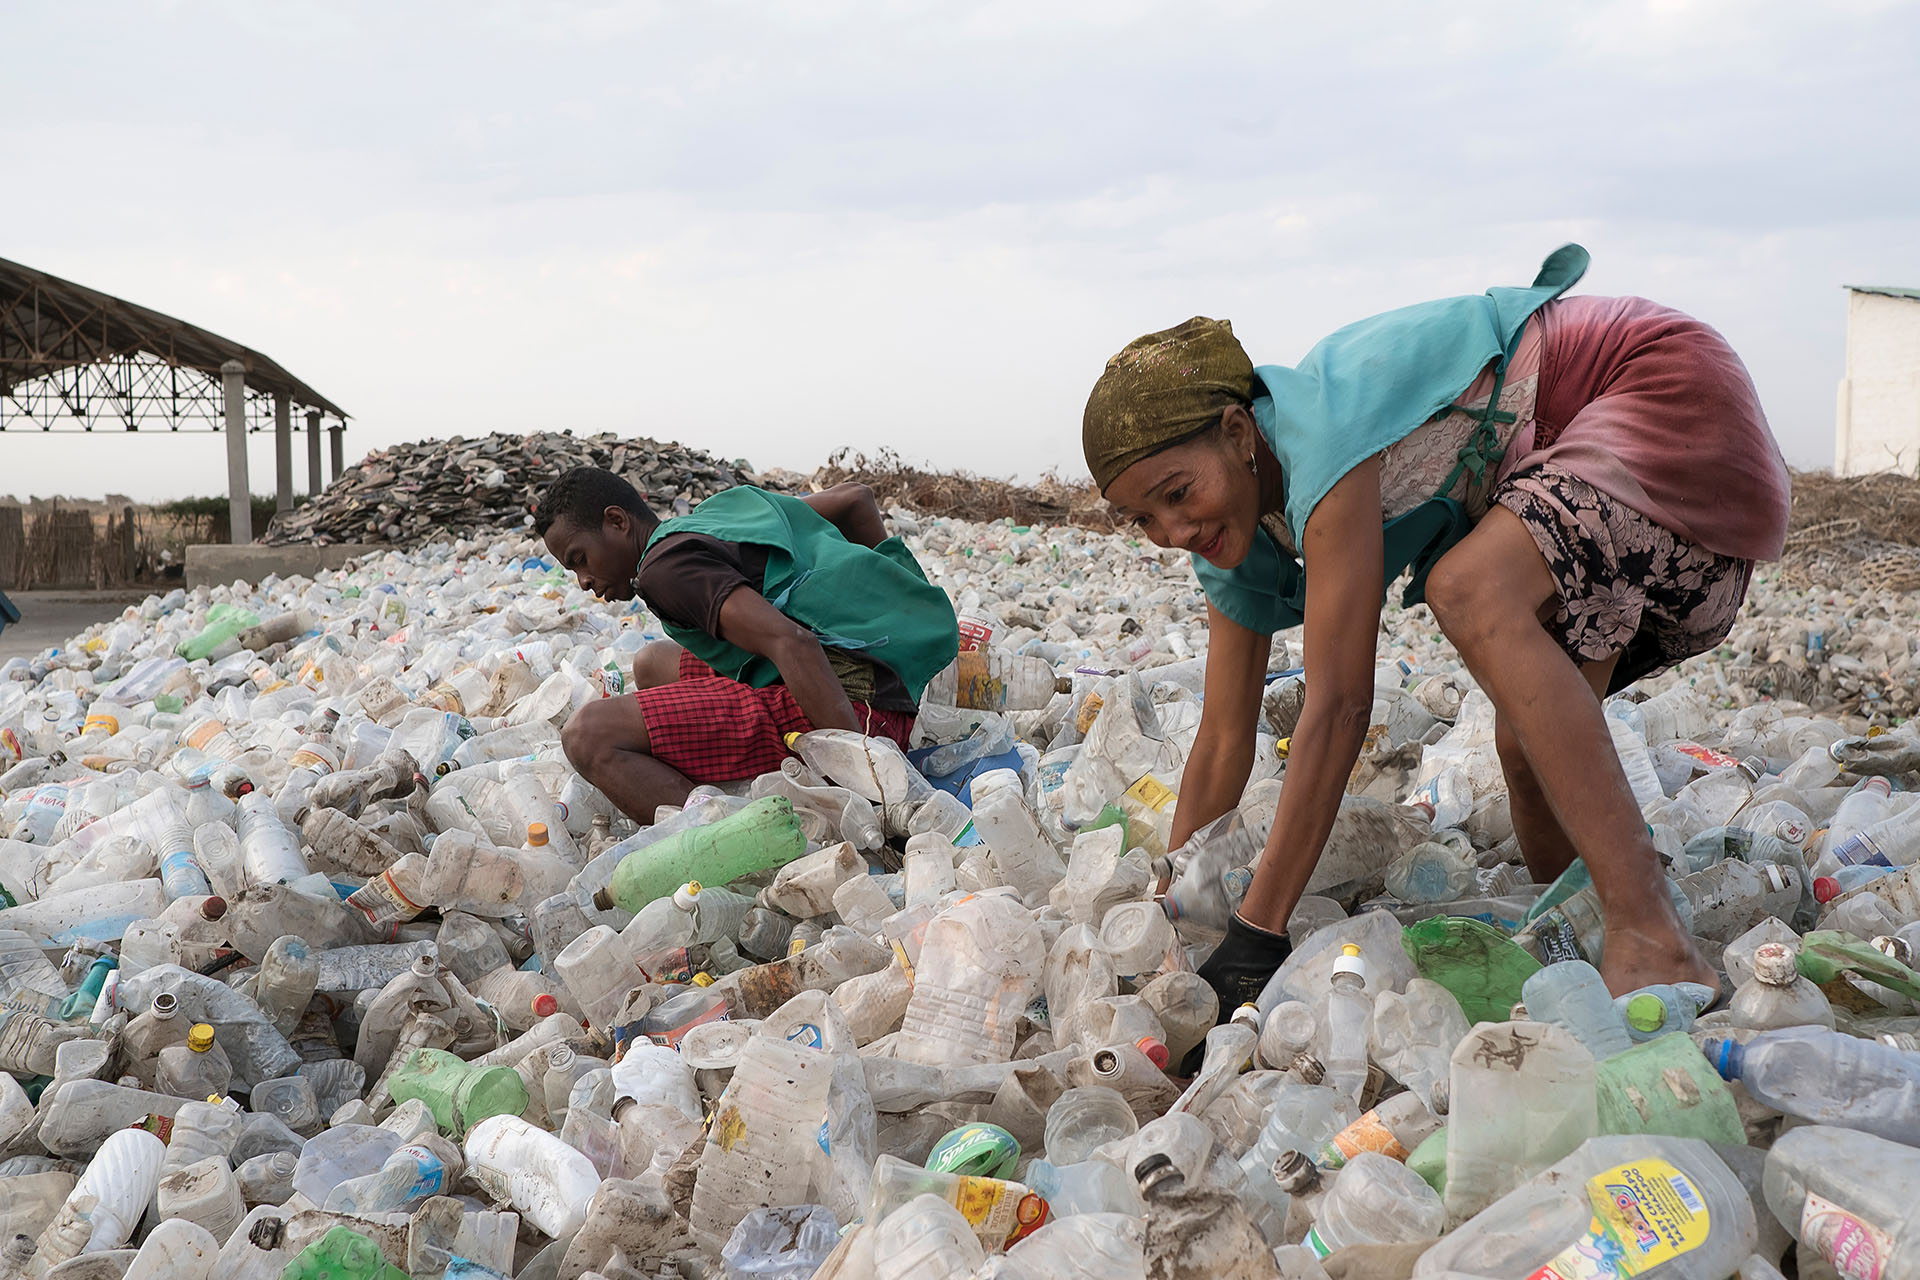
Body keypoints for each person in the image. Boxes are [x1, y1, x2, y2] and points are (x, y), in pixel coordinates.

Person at [1082, 245, 1790, 1013]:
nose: (1174, 529)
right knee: (1526, 751)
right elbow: (1222, 737)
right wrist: (1177, 912)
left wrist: (1257, 931)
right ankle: (1584, 931)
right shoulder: (1236, 539)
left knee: (1469, 588)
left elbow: (1342, 705)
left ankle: (1652, 932)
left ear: (1237, 432)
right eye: (1143, 518)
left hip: (1663, 392)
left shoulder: (1321, 432)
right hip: (1568, 486)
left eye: (1178, 493)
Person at [534, 467, 958, 821]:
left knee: (588, 735)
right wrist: (890, 603)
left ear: (617, 521)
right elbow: (855, 499)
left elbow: (794, 644)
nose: (584, 582)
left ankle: (722, 838)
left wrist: (865, 779)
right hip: (879, 681)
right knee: (651, 663)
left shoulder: (665, 571)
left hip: (860, 712)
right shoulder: (714, 518)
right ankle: (703, 777)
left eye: (580, 559)